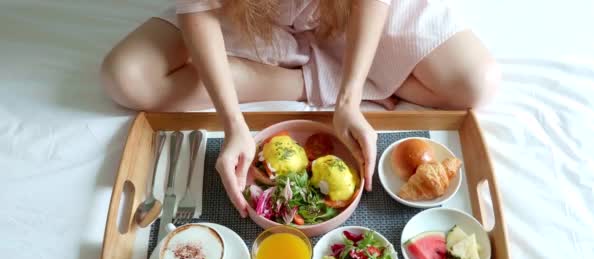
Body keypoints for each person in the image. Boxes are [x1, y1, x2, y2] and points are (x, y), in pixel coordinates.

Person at [101, 0, 500, 217]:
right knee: (126, 77)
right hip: (247, 11)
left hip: (347, 11)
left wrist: (349, 100)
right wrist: (233, 124)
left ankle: (336, 78)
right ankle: (302, 80)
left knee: (476, 83)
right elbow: (200, 9)